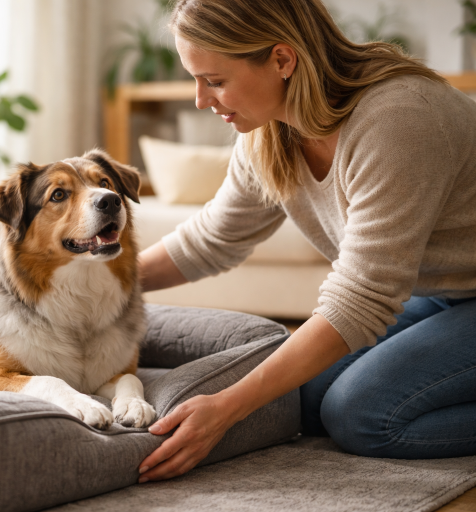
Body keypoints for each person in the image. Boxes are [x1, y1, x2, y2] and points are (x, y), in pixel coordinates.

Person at [136, 0, 476, 484]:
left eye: (214, 80)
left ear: (281, 60)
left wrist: (227, 407)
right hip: (445, 294)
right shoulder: (268, 132)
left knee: (361, 415)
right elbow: (211, 239)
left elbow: (360, 299)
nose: (200, 100)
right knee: (306, 399)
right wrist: (97, 285)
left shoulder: (399, 118)